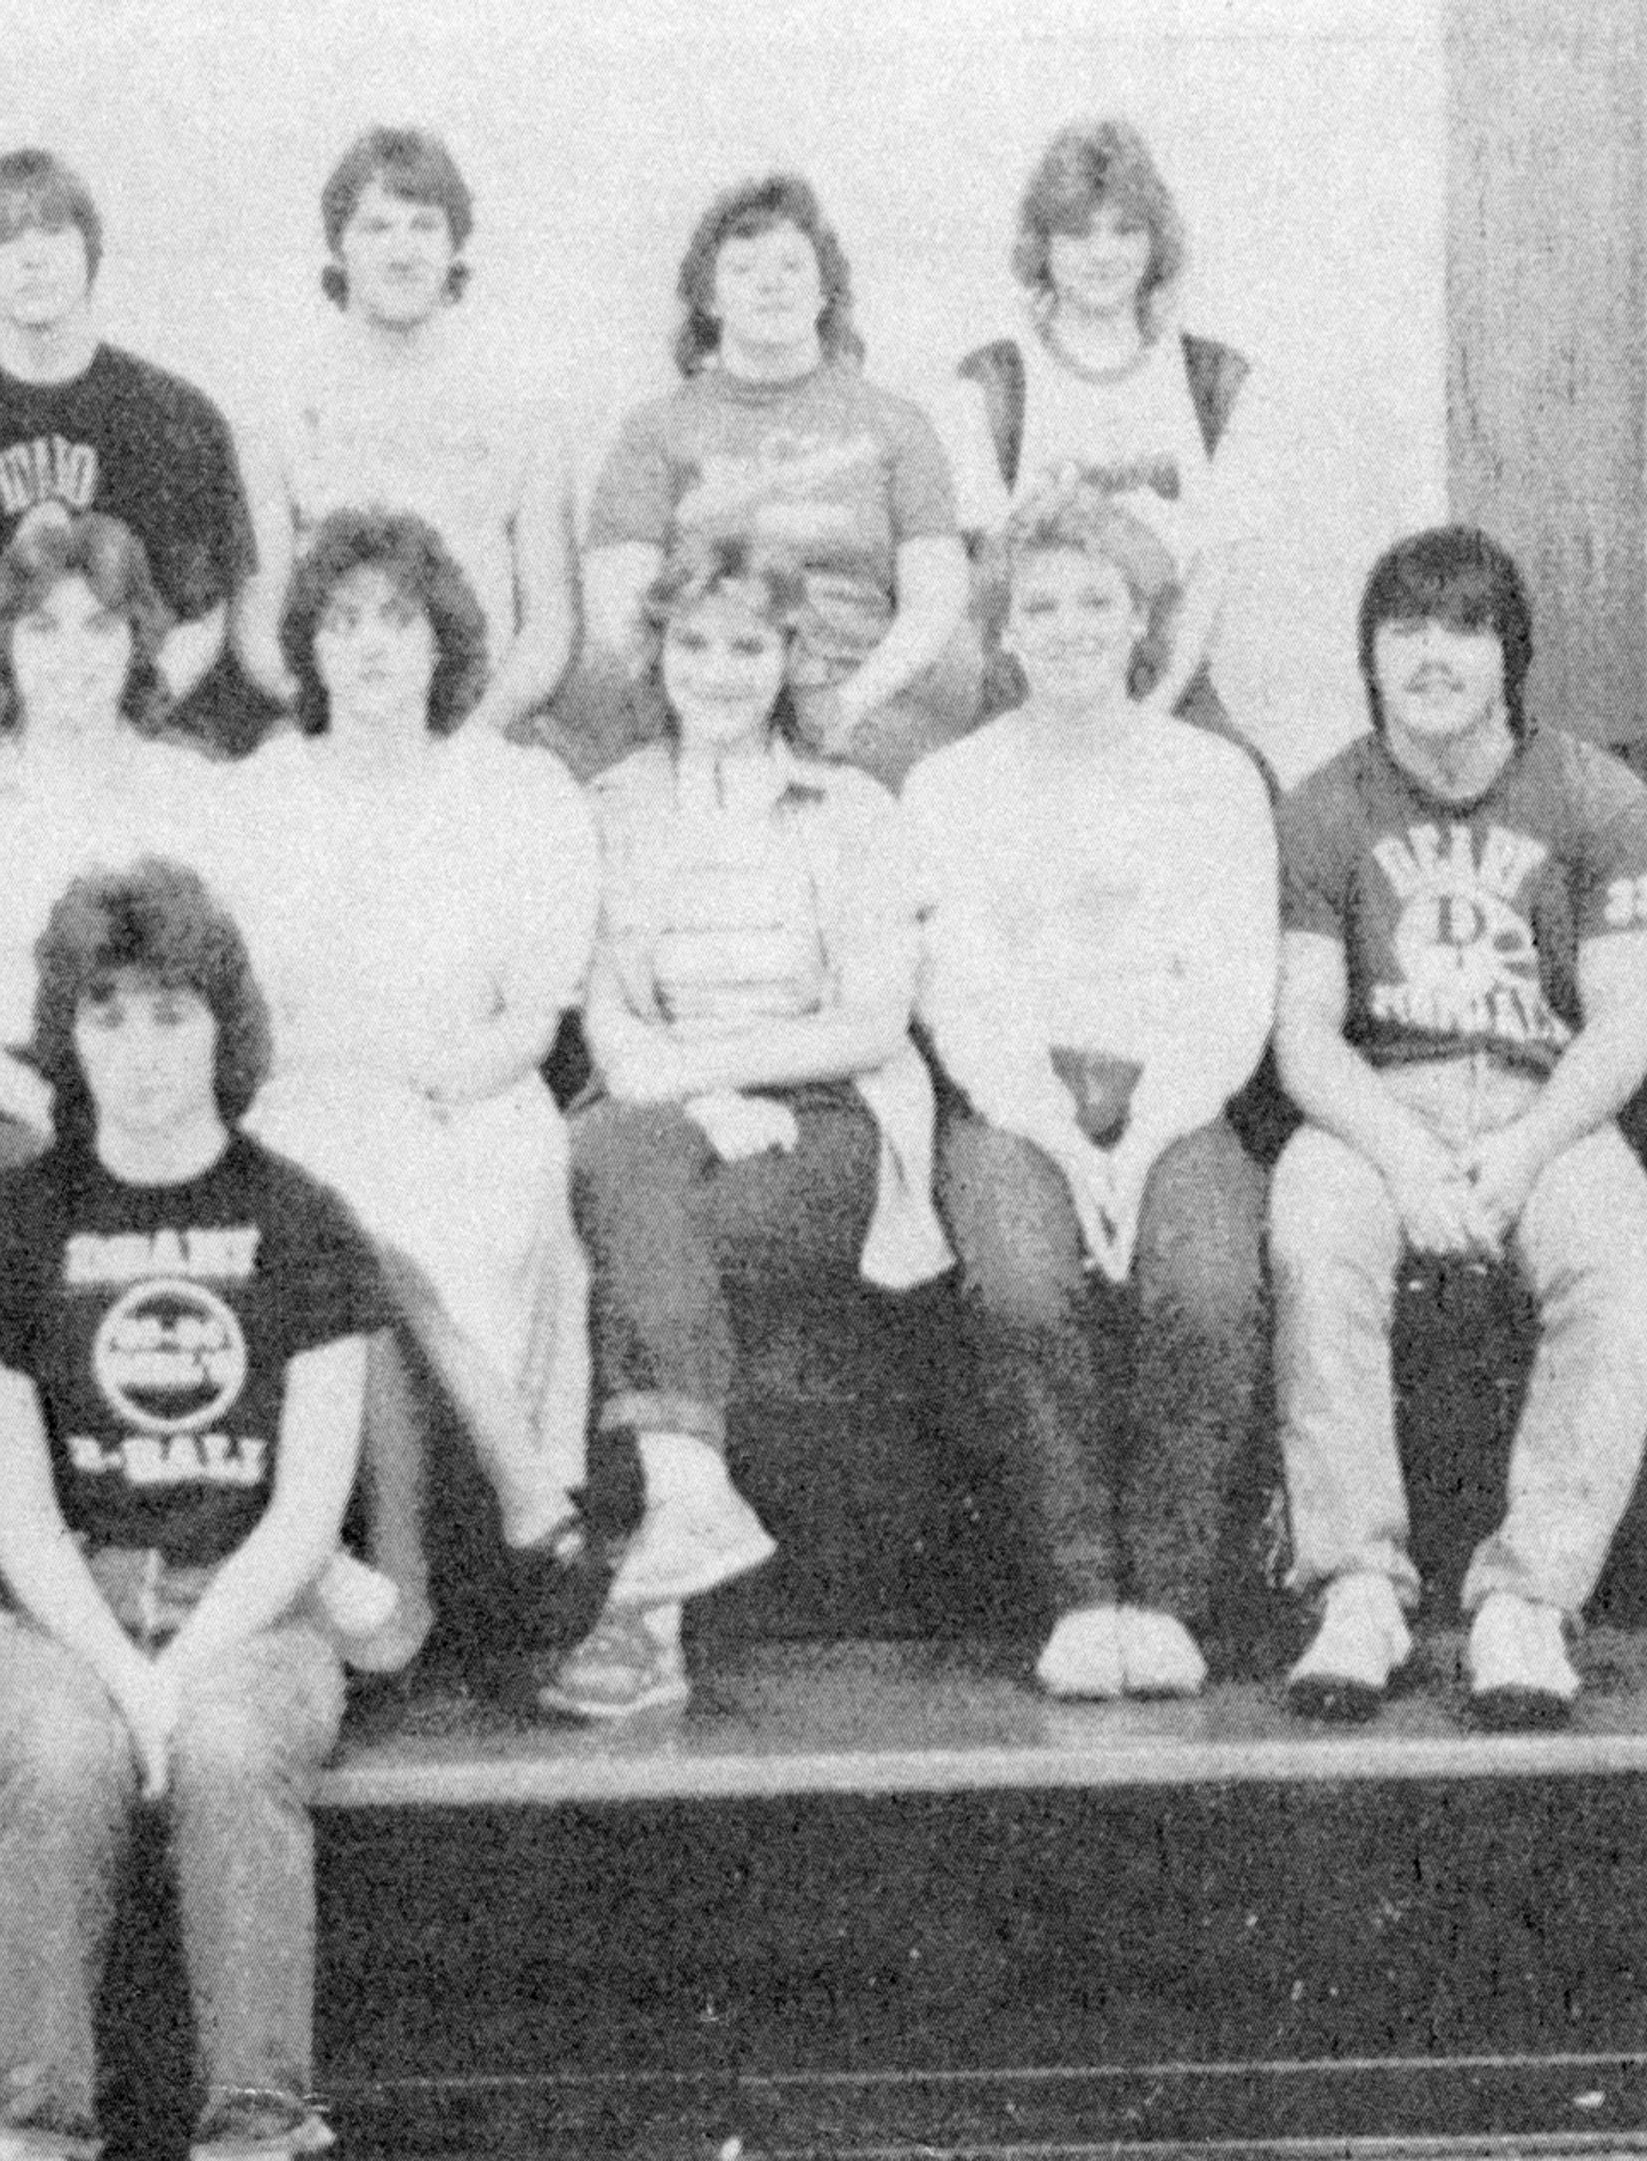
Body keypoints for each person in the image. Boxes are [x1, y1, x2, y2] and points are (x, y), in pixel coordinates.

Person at [0, 858, 385, 2161]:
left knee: (230, 1750)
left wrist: (183, 1670)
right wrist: (119, 1672)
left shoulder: (304, 1222)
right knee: (64, 1759)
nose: (141, 1052)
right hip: (57, 1600)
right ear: (67, 1037)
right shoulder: (16, 1224)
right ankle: (30, 2126)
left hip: (250, 1599)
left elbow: (307, 1510)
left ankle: (258, 2124)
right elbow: (19, 1516)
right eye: (107, 1017)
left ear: (225, 1027)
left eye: (173, 1014)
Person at [201, 508, 619, 1680]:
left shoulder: (516, 792)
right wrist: (355, 1072)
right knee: (344, 1198)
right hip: (303, 1092)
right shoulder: (258, 796)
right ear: (309, 649)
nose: (371, 647)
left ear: (443, 642)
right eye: (340, 624)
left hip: (469, 1093)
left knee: (407, 1209)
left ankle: (404, 1570)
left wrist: (439, 1076)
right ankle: (524, 1491)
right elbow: (243, 1016)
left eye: (398, 620)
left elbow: (536, 1017)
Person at [555, 537, 949, 1718]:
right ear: (658, 653)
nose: (718, 670)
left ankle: (649, 1598)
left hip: (823, 1120)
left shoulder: (853, 805)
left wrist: (722, 1078)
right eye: (693, 643)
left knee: (638, 1216)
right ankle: (675, 1548)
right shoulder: (608, 805)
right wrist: (693, 1099)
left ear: (789, 660)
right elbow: (609, 1021)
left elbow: (874, 1020)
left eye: (749, 645)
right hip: (661, 1113)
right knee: (623, 1162)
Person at [1269, 526, 1647, 1729]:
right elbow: (1305, 1036)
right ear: (1369, 654)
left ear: (1510, 652)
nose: (1433, 656)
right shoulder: (1325, 805)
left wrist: (1525, 1151)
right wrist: (1408, 1157)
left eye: (1465, 629)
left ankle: (1529, 1600)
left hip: (1549, 1104)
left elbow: (1629, 1021)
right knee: (1313, 1232)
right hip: (1381, 1103)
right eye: (1405, 629)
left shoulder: (1596, 795)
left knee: (1622, 1259)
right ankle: (1358, 1586)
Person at [905, 488, 1274, 1700]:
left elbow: (1232, 987)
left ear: (1142, 622)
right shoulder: (948, 785)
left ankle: (1165, 1598)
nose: (1068, 625)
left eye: (1096, 601)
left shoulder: (1213, 778)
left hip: (1177, 1089)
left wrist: (1151, 1132)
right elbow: (962, 995)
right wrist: (1063, 1143)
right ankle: (1078, 1592)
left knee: (1211, 1286)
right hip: (1014, 1098)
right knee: (1018, 1286)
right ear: (1002, 632)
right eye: (1039, 604)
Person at [0, 510, 216, 1212]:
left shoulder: (193, 789)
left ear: (138, 643)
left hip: (165, 1089)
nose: (72, 655)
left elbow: (227, 989)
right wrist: (60, 1108)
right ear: (5, 647)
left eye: (100, 627)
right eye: (43, 628)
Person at [578, 172, 977, 787]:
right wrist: (715, 710)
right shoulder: (655, 429)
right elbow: (620, 607)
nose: (770, 284)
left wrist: (846, 704)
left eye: (792, 266)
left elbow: (935, 599)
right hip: (703, 694)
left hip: (859, 703)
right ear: (708, 298)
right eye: (742, 269)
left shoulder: (895, 423)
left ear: (825, 291)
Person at [0, 149, 246, 744]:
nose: (32, 258)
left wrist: (128, 715)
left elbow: (206, 615)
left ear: (89, 251)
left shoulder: (178, 420)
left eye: (53, 233)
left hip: (138, 736)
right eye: (7, 240)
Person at [241, 125, 576, 750]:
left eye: (425, 225)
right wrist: (342, 722)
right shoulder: (280, 410)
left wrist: (473, 738)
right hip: (332, 730)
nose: (403, 251)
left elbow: (551, 626)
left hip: (483, 726)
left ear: (455, 246)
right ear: (339, 248)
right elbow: (257, 629)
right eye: (376, 227)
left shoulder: (524, 410)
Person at [951, 119, 1253, 741]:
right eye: (1077, 232)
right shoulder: (991, 380)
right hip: (1032, 680)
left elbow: (1209, 580)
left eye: (1125, 230)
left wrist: (1151, 717)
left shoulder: (1212, 378)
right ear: (1043, 245)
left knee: (1246, 789)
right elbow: (983, 585)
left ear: (1155, 242)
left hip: (1163, 680)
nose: (1103, 254)